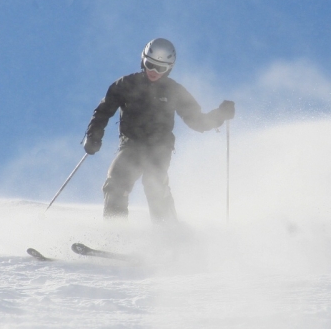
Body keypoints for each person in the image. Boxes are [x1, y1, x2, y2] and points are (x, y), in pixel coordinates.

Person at [82, 38, 235, 224]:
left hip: (160, 147)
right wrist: (93, 136)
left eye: (160, 68)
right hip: (131, 145)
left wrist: (220, 115)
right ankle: (116, 233)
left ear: (169, 68)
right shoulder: (125, 85)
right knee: (116, 182)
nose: (154, 72)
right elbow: (103, 112)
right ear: (143, 60)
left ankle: (168, 234)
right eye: (150, 65)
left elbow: (197, 121)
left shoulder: (174, 91)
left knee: (153, 183)